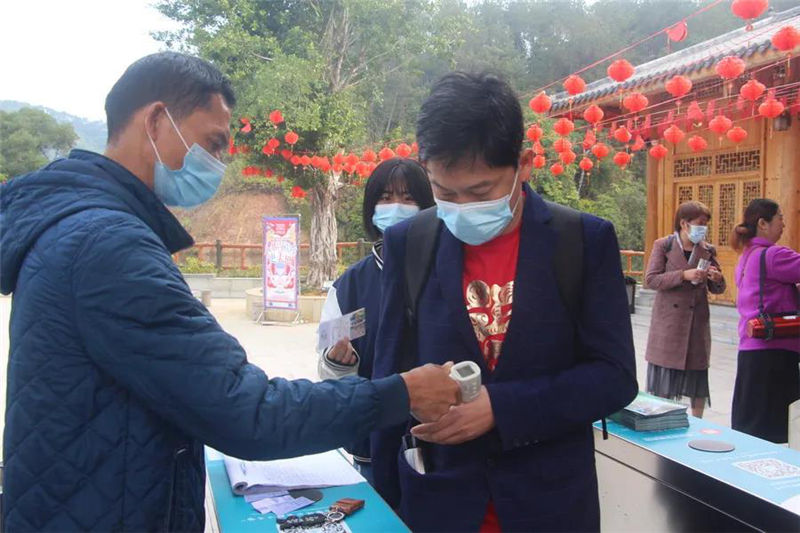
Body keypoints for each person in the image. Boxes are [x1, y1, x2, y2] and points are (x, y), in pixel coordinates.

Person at [0, 52, 459, 532]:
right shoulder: (107, 244)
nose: (218, 164)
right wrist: (400, 393)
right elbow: (246, 410)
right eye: (213, 143)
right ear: (156, 121)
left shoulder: (82, 227)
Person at [370, 72, 638, 532]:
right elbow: (388, 379)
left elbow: (614, 377)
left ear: (524, 164)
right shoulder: (409, 244)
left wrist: (502, 407)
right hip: (440, 503)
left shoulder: (581, 241)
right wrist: (383, 505)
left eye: (481, 192)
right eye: (444, 192)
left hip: (550, 505)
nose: (462, 207)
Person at [317, 157, 435, 483]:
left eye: (408, 198)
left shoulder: (446, 270)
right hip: (373, 443)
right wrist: (338, 363)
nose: (396, 206)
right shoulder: (349, 286)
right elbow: (327, 370)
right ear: (372, 208)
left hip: (439, 437)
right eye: (386, 197)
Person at [643, 201, 726, 418]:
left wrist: (717, 278)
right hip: (669, 323)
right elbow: (651, 280)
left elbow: (718, 288)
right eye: (700, 223)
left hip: (696, 323)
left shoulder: (707, 250)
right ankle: (660, 420)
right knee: (664, 382)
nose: (703, 228)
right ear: (684, 223)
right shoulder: (664, 245)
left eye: (706, 224)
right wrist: (683, 275)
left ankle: (698, 422)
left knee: (697, 379)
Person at [731, 198, 800, 443]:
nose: (783, 224)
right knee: (776, 431)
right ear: (763, 223)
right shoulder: (774, 255)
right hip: (775, 352)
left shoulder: (746, 256)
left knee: (751, 429)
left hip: (751, 351)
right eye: (780, 217)